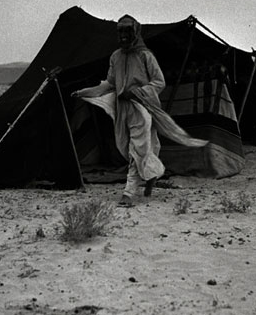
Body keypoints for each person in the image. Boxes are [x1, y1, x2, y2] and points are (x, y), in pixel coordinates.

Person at [72, 14, 207, 206]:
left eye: (127, 30)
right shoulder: (116, 57)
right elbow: (110, 83)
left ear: (135, 32)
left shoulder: (146, 56)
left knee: (137, 148)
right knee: (139, 148)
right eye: (120, 31)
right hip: (122, 111)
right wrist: (83, 92)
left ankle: (128, 193)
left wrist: (136, 92)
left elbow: (159, 82)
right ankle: (151, 177)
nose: (124, 35)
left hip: (142, 108)